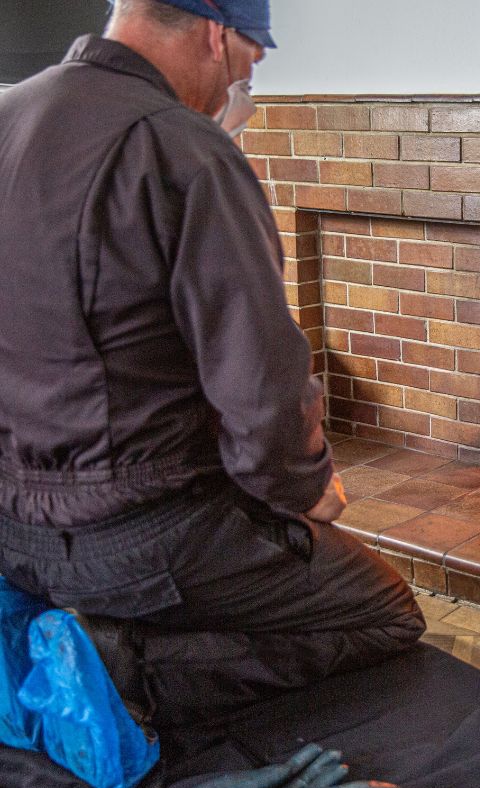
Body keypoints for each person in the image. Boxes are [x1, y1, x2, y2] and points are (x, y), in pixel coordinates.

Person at [0, 0, 424, 724]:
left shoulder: (8, 113)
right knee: (383, 611)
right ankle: (123, 667)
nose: (240, 87)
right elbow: (263, 388)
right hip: (140, 532)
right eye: (250, 64)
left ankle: (106, 633)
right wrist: (304, 488)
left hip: (12, 527)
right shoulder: (184, 149)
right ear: (217, 36)